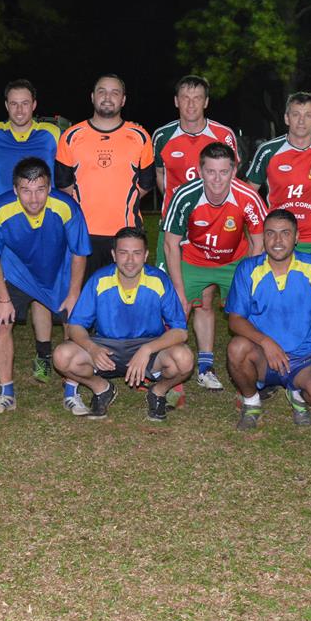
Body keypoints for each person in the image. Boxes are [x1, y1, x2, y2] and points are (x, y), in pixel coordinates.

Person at [0, 79, 61, 387]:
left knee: (42, 293)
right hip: (2, 229)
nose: (19, 109)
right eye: (13, 103)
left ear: (34, 105)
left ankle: (43, 356)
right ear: (6, 105)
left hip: (42, 227)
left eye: (25, 103)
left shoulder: (52, 135)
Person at [225, 210, 311, 430]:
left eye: (285, 233)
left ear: (296, 238)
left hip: (305, 358)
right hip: (264, 356)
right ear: (263, 237)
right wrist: (266, 342)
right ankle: (251, 402)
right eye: (270, 234)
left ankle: (297, 393)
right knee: (237, 347)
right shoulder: (248, 269)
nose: (277, 241)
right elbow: (235, 319)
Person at [152, 74, 241, 394]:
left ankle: (204, 365)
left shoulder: (223, 135)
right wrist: (179, 208)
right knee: (174, 299)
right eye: (184, 98)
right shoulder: (162, 136)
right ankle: (166, 365)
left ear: (206, 101)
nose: (190, 104)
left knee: (205, 299)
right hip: (175, 229)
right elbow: (161, 177)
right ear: (176, 101)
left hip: (214, 227)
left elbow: (232, 177)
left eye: (197, 98)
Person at [0, 157, 90, 414]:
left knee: (73, 322)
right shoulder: (0, 209)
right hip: (17, 273)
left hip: (56, 273)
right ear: (15, 189)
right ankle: (6, 392)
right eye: (26, 191)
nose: (33, 198)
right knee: (0, 322)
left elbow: (79, 252)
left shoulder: (66, 207)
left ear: (49, 187)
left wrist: (74, 293)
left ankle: (71, 391)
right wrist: (3, 299)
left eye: (40, 189)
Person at [53, 228, 193, 421]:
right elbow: (76, 325)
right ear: (113, 255)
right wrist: (91, 348)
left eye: (136, 253)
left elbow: (180, 331)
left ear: (145, 256)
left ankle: (158, 392)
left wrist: (147, 349)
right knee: (62, 356)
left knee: (184, 359)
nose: (130, 260)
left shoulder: (159, 281)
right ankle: (101, 388)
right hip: (107, 348)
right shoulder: (99, 280)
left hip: (149, 348)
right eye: (123, 253)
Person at [160, 142, 266, 392]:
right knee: (180, 308)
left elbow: (259, 241)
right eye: (210, 171)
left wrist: (248, 279)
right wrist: (179, 291)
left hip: (234, 262)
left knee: (248, 313)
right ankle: (171, 371)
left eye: (224, 171)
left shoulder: (248, 196)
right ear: (200, 170)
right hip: (195, 259)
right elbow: (170, 245)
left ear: (234, 170)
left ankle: (255, 372)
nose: (217, 179)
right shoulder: (185, 195)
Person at [55, 74, 155, 278]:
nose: (107, 97)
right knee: (82, 299)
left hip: (126, 235)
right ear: (92, 97)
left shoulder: (140, 136)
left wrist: (120, 202)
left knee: (124, 301)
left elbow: (146, 183)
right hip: (83, 233)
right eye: (102, 91)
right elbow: (64, 185)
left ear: (123, 100)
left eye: (114, 92)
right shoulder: (71, 136)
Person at [244, 91, 311, 252]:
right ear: (287, 118)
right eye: (296, 114)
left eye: (308, 115)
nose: (301, 121)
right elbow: (247, 196)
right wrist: (256, 237)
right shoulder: (268, 151)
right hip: (279, 239)